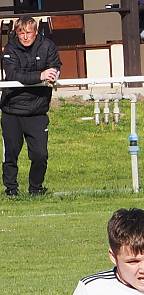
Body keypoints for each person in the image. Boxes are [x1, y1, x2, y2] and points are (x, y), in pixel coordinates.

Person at [1, 16, 60, 197]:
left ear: (36, 32)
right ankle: (11, 189)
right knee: (11, 153)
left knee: (40, 155)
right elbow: (13, 75)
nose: (25, 37)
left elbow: (55, 66)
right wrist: (41, 75)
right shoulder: (9, 49)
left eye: (29, 33)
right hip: (12, 110)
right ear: (16, 33)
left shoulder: (48, 46)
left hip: (37, 111)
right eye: (21, 33)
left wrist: (54, 74)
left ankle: (36, 188)